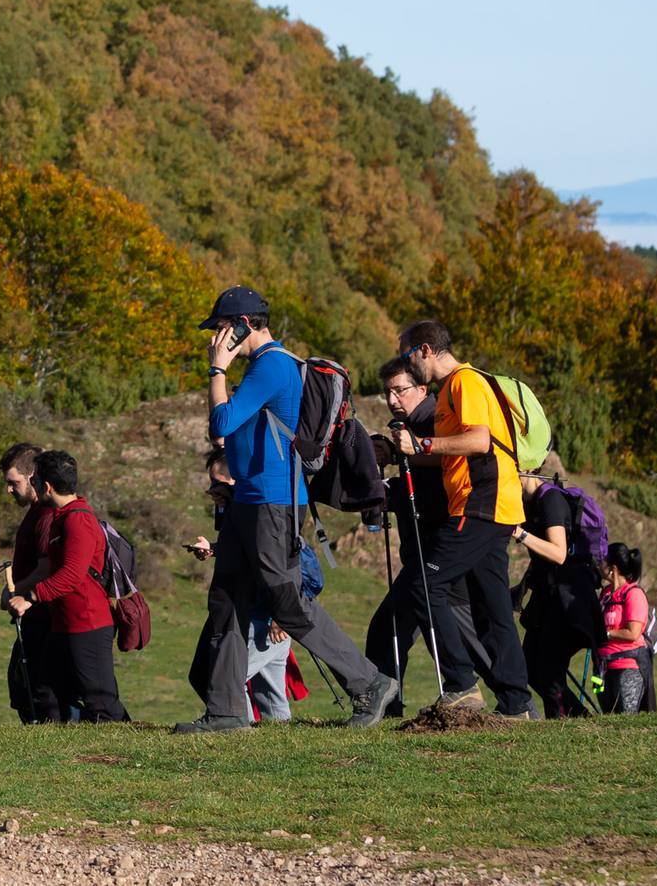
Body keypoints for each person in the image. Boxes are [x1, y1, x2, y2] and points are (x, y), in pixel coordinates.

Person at [179, 287, 396, 733]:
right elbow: (222, 436)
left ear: (242, 326)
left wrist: (217, 369)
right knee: (227, 599)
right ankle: (226, 711)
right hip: (249, 501)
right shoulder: (261, 369)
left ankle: (369, 683)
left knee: (287, 601)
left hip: (274, 503)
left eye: (220, 329)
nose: (215, 339)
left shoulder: (274, 366)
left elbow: (220, 422)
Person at [394, 320, 536, 718]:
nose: (407, 366)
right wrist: (406, 455)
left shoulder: (463, 382)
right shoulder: (451, 390)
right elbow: (452, 451)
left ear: (424, 350)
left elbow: (478, 440)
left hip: (480, 504)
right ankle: (516, 704)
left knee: (424, 583)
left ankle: (460, 685)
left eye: (407, 356)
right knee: (492, 608)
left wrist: (420, 441)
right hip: (494, 507)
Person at [9, 451, 129, 723]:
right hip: (65, 624)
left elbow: (71, 575)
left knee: (100, 700)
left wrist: (31, 596)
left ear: (47, 487)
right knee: (50, 688)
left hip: (87, 623)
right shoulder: (62, 516)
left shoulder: (77, 520)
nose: (34, 485)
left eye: (35, 479)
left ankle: (127, 748)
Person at [187, 449, 299, 722]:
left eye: (218, 482)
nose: (213, 490)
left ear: (236, 479)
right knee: (269, 691)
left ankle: (239, 729)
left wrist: (280, 614)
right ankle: (276, 740)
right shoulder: (240, 512)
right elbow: (247, 552)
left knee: (226, 679)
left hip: (262, 616)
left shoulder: (260, 511)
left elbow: (289, 560)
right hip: (258, 614)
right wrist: (213, 549)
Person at [513, 451, 603, 718]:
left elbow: (558, 553)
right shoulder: (530, 503)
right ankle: (577, 719)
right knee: (529, 666)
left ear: (525, 469)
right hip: (547, 598)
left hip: (566, 600)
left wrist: (520, 533)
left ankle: (569, 724)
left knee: (549, 674)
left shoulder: (550, 499)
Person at [0, 442, 54, 725]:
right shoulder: (34, 512)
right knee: (22, 688)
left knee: (40, 691)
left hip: (44, 615)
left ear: (33, 477)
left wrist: (18, 591)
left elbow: (47, 567)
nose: (9, 490)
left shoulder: (46, 515)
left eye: (13, 483)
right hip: (29, 614)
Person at [597, 542, 654, 714]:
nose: (599, 565)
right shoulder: (605, 594)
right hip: (601, 669)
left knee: (625, 719)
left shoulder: (634, 594)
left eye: (603, 561)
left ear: (612, 568)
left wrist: (604, 634)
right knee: (607, 718)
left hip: (627, 668)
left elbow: (632, 633)